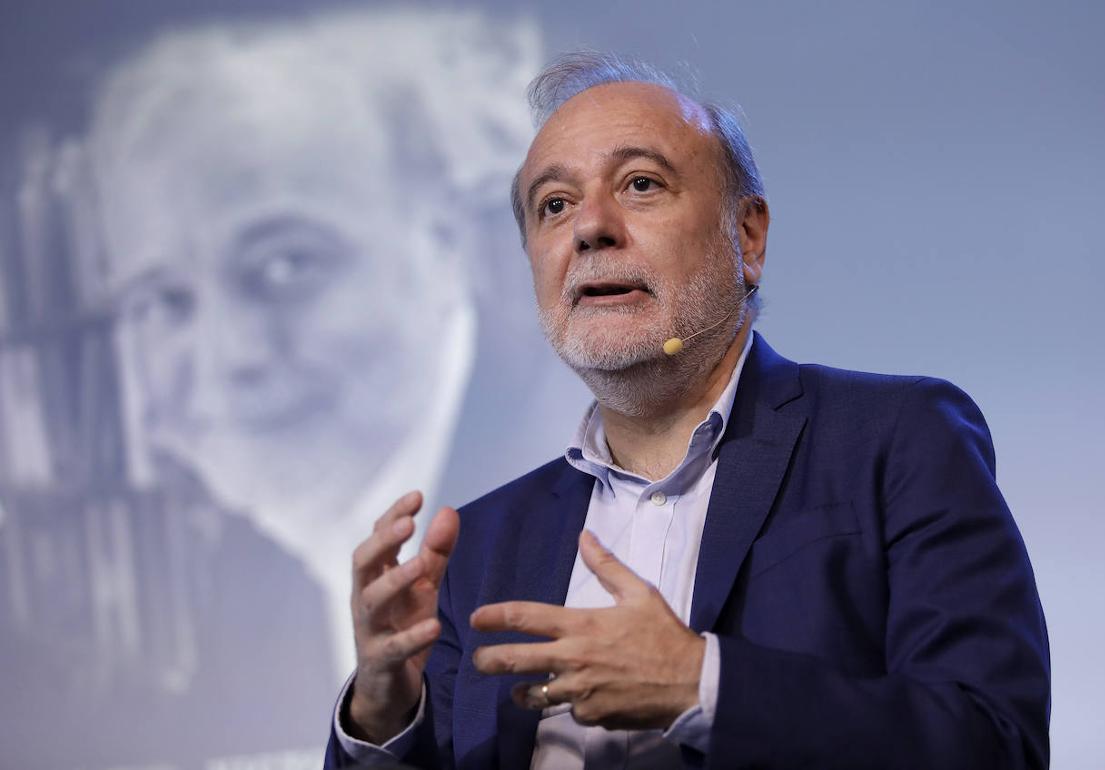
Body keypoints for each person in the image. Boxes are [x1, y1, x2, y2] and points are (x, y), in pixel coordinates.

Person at [325, 52, 1050, 769]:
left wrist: (701, 685)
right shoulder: (480, 546)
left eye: (640, 184)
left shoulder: (895, 441)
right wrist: (385, 716)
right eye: (555, 205)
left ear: (749, 236)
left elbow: (994, 743)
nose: (591, 228)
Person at [84, 7, 556, 681]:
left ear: (443, 240)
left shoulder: (576, 493)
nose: (229, 359)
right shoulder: (235, 560)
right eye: (164, 301)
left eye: (285, 267)